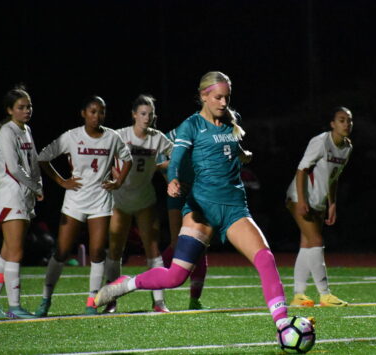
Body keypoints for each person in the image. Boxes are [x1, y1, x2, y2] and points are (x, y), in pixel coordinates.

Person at [95, 71, 293, 332]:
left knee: (265, 259)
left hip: (235, 209)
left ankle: (283, 326)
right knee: (175, 277)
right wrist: (173, 179)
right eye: (218, 98)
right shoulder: (191, 125)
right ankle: (126, 284)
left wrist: (243, 155)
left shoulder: (232, 123)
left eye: (227, 98)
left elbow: (228, 149)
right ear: (204, 96)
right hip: (201, 210)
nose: (224, 103)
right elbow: (176, 158)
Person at [34, 96, 132, 316]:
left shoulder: (112, 137)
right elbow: (43, 157)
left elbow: (128, 160)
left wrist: (118, 182)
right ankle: (45, 299)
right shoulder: (72, 136)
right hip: (75, 201)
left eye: (101, 112)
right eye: (92, 111)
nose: (97, 116)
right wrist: (61, 181)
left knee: (97, 252)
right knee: (61, 252)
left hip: (101, 201)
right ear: (83, 113)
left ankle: (91, 301)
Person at [104, 94, 173, 313]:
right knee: (115, 250)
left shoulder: (158, 137)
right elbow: (103, 157)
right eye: (143, 113)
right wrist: (111, 174)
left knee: (153, 250)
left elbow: (178, 156)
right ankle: (111, 300)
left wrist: (162, 168)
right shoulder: (120, 135)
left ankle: (159, 302)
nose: (147, 118)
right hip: (120, 201)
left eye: (150, 114)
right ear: (134, 114)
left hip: (145, 200)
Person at [0, 86, 43, 319]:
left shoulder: (26, 130)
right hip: (10, 196)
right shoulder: (6, 131)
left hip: (23, 197)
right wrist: (34, 185)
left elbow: (33, 161)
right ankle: (14, 308)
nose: (26, 111)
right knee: (16, 252)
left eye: (29, 107)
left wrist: (39, 185)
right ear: (9, 109)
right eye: (21, 107)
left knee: (7, 253)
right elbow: (13, 168)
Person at [286, 106, 353, 307]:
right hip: (299, 197)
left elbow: (334, 177)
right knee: (316, 240)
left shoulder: (347, 147)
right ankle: (325, 294)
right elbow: (301, 169)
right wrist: (302, 200)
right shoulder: (321, 141)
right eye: (341, 120)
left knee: (307, 244)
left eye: (349, 120)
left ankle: (299, 295)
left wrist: (332, 203)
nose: (346, 124)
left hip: (319, 201)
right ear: (333, 124)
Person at [159, 126, 209, 310]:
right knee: (175, 244)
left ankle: (194, 300)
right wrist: (173, 182)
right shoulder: (181, 130)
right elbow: (159, 161)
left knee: (200, 247)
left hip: (198, 195)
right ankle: (154, 287)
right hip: (178, 196)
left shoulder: (214, 132)